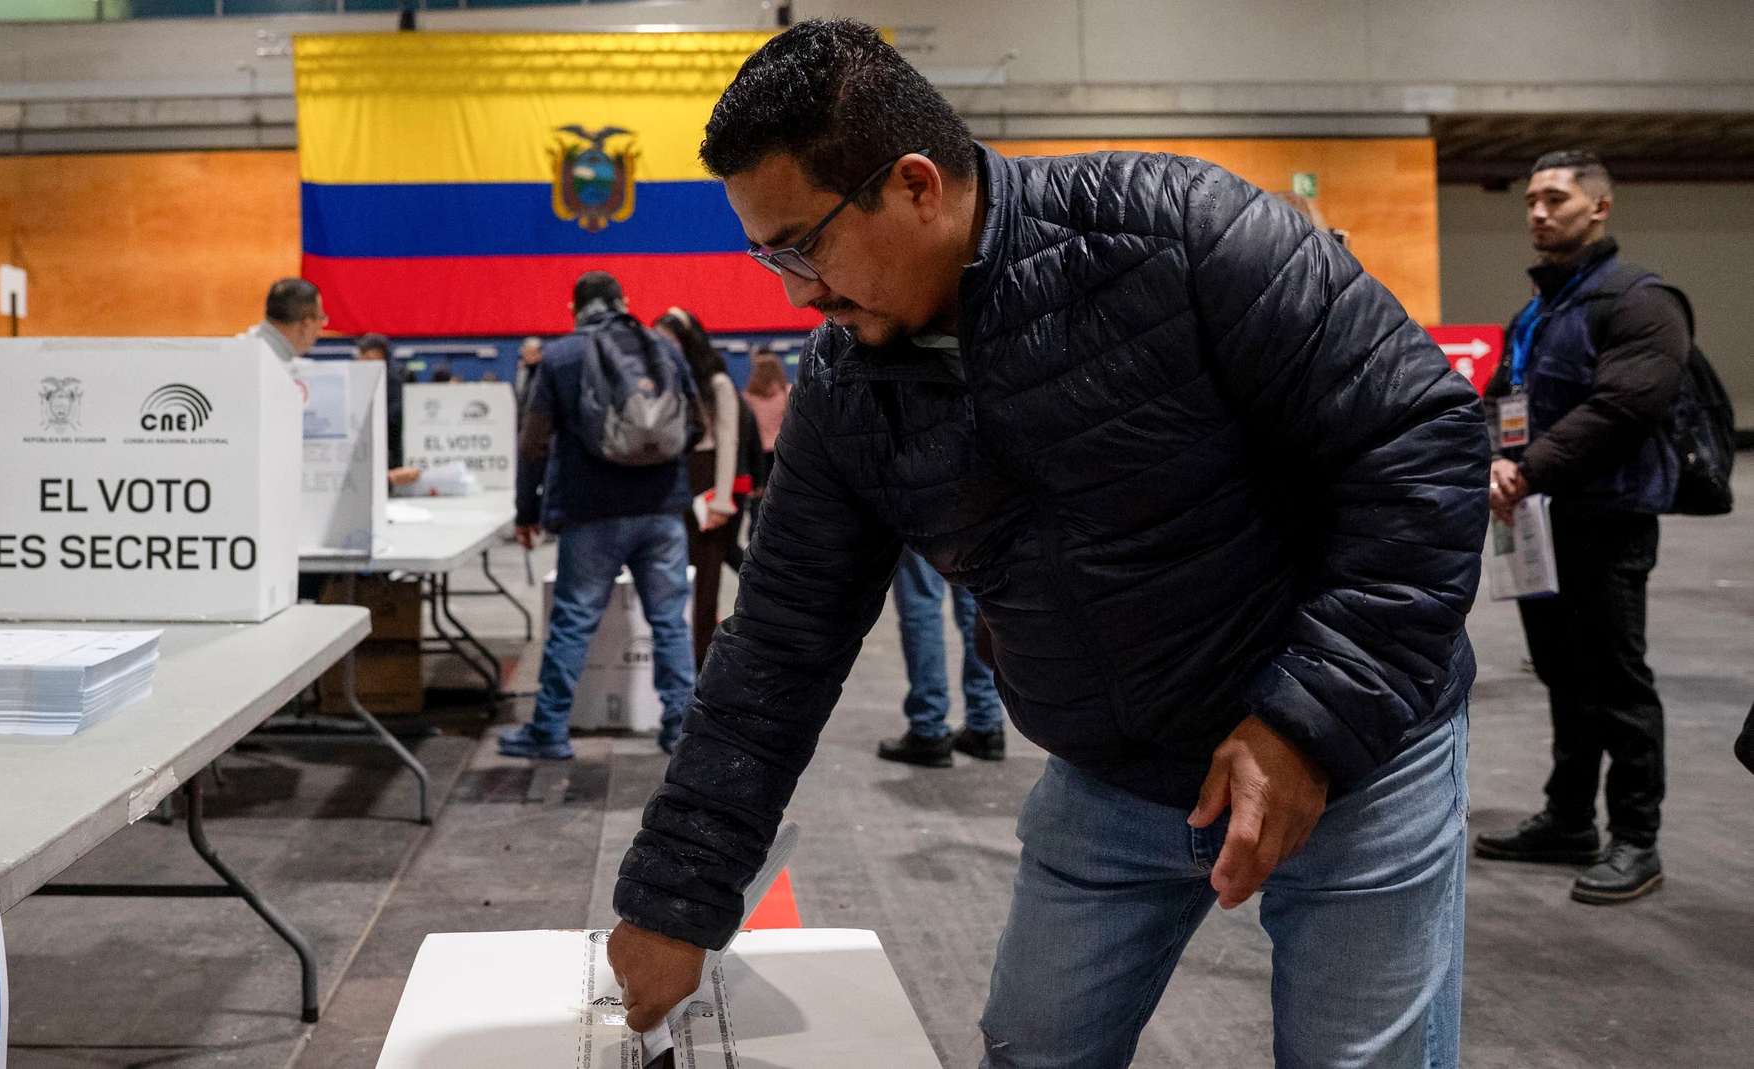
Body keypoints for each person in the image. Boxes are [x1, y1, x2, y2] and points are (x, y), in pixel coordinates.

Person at [604, 22, 1488, 1068]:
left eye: (804, 244)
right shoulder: (845, 390)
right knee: (1033, 1052)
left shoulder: (1181, 235)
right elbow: (778, 648)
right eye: (767, 255)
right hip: (1112, 779)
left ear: (916, 185)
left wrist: (1309, 725)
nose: (794, 289)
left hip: (1354, 761)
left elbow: (1420, 446)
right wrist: (676, 897)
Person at [1474, 150, 1690, 905]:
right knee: (1564, 675)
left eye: (1555, 198)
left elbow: (1625, 406)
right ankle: (1569, 817)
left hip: (1607, 518)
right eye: (1531, 198)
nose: (1537, 211)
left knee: (1617, 679)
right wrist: (1492, 461)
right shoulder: (1538, 311)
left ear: (1599, 207)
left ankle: (1638, 837)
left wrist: (1526, 467)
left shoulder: (1642, 299)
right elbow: (1503, 397)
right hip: (1536, 523)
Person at [503, 271, 701, 759]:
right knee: (670, 622)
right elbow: (694, 424)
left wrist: (526, 511)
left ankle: (549, 730)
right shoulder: (664, 348)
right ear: (624, 301)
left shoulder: (561, 355)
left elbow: (532, 445)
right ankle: (680, 729)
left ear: (574, 309)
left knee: (573, 622)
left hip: (590, 511)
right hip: (662, 510)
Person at [654, 307, 741, 668]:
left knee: (705, 576)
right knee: (668, 576)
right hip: (667, 479)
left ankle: (700, 656)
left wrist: (721, 499)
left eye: (669, 340)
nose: (662, 347)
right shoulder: (661, 380)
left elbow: (728, 441)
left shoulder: (717, 384)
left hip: (704, 479)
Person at [878, 549, 1006, 766]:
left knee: (921, 599)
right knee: (976, 601)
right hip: (977, 518)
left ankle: (929, 728)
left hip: (921, 516)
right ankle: (986, 727)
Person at [353, 332, 422, 489]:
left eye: (363, 352)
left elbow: (394, 419)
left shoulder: (393, 378)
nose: (359, 357)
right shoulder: (368, 375)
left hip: (389, 450)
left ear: (377, 354)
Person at [738, 347, 788, 552]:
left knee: (758, 506)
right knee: (783, 502)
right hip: (782, 455)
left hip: (756, 457)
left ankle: (757, 547)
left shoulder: (748, 398)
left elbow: (746, 435)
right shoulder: (788, 392)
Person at [245, 278, 328, 368]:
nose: (320, 330)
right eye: (321, 318)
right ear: (306, 324)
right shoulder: (273, 368)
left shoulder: (242, 349)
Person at [515, 335, 545, 423]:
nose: (527, 357)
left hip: (538, 416)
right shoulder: (523, 370)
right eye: (525, 353)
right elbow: (519, 392)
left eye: (531, 353)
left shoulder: (543, 371)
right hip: (521, 415)